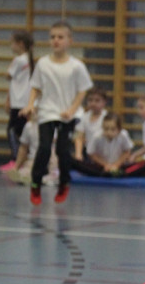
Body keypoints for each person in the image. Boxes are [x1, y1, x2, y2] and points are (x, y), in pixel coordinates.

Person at [19, 21, 92, 205]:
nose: (56, 41)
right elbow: (35, 87)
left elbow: (82, 90)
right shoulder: (43, 63)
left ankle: (64, 182)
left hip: (68, 114)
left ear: (70, 40)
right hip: (47, 112)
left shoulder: (77, 66)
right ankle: (36, 182)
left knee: (62, 150)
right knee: (44, 147)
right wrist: (30, 105)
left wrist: (72, 109)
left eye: (60, 37)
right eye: (52, 37)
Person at [0, 30, 34, 172]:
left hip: (19, 102)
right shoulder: (29, 59)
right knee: (21, 131)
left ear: (20, 44)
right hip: (23, 101)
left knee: (13, 131)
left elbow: (8, 76)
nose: (11, 46)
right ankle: (23, 160)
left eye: (12, 43)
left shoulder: (19, 60)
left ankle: (16, 160)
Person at [75, 114, 145, 177]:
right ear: (102, 128)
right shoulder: (97, 136)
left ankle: (119, 173)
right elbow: (91, 154)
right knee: (77, 164)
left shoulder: (123, 135)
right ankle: (109, 174)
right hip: (100, 167)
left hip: (119, 167)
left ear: (119, 129)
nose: (109, 132)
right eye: (106, 129)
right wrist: (105, 165)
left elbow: (127, 151)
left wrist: (116, 165)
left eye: (113, 129)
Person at [73, 87, 110, 164]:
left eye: (97, 101)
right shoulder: (84, 117)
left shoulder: (107, 117)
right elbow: (78, 136)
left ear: (104, 102)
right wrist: (78, 154)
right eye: (90, 100)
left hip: (105, 154)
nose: (93, 103)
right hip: (89, 154)